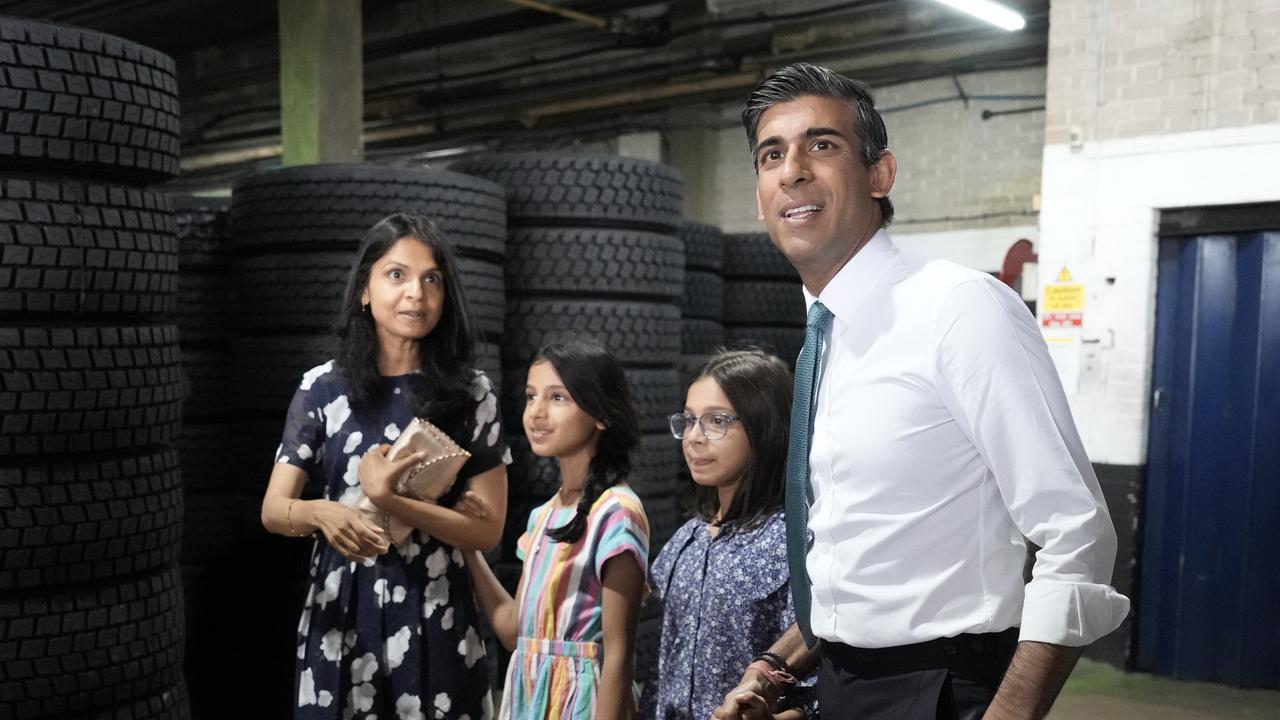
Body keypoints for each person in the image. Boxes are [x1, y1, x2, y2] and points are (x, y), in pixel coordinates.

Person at [713, 63, 1130, 720]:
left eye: (821, 145)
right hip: (840, 685)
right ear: (761, 192)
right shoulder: (828, 341)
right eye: (772, 154)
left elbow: (1078, 537)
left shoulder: (959, 310)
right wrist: (777, 664)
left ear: (880, 174)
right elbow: (864, 553)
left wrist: (1011, 712)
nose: (791, 169)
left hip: (941, 689)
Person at [260, 213, 508, 720]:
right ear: (365, 291)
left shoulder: (470, 393)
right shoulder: (322, 389)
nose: (415, 293)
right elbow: (274, 509)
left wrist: (395, 502)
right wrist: (323, 514)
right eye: (396, 275)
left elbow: (486, 532)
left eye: (431, 279)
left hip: (439, 605)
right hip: (342, 608)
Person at [456, 338, 650, 719]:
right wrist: (468, 546)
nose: (536, 413)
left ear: (601, 414)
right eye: (531, 396)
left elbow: (617, 654)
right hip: (528, 699)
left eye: (557, 398)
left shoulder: (617, 512)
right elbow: (515, 632)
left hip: (582, 703)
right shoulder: (543, 516)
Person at [639, 349, 819, 720]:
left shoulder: (792, 542)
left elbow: (819, 687)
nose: (694, 438)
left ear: (764, 427)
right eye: (688, 421)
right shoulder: (686, 540)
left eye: (716, 421)